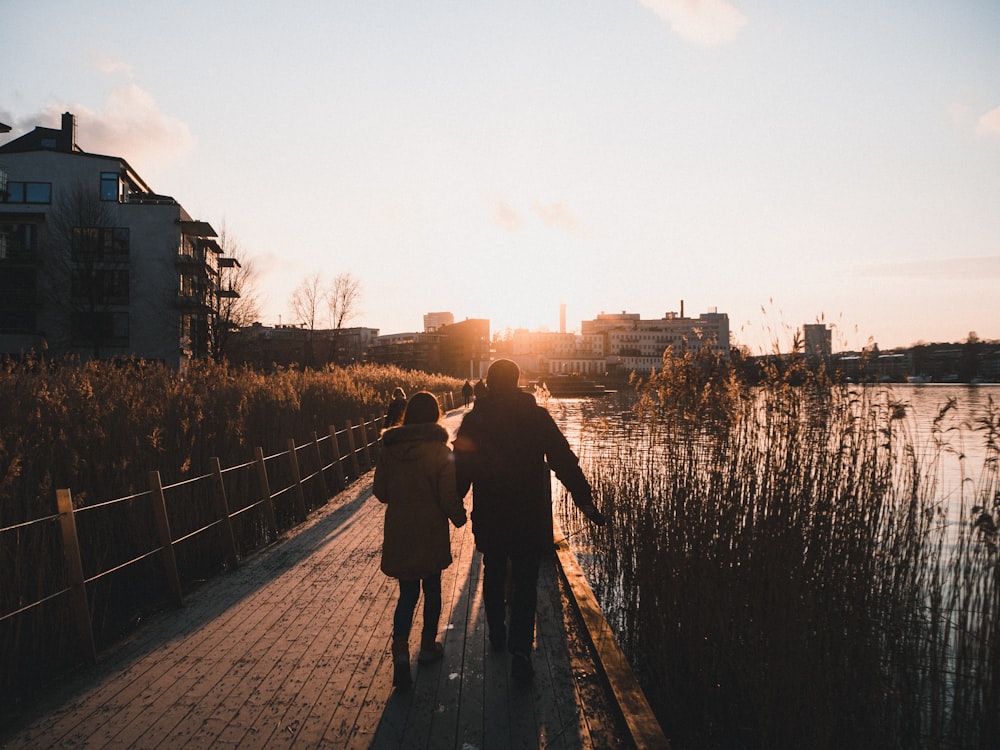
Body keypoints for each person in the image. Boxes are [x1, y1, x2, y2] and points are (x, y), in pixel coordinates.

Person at [454, 359, 605, 686]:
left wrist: (452, 503)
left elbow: (461, 467)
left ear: (489, 384)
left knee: (493, 571)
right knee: (525, 584)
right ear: (518, 381)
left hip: (491, 514)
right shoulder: (536, 417)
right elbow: (563, 459)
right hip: (528, 515)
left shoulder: (475, 420)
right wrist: (584, 498)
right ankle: (520, 651)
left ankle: (496, 631)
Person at [374, 391, 468, 689]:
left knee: (407, 594)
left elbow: (381, 491)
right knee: (432, 589)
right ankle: (427, 646)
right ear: (435, 414)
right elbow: (447, 495)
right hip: (430, 530)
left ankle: (400, 653)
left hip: (401, 530)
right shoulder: (440, 450)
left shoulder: (390, 448)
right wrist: (459, 516)